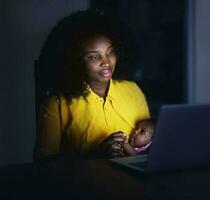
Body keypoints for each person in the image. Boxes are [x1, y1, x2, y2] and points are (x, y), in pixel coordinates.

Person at [33, 10, 150, 161]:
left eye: (110, 52)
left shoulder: (133, 90)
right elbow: (44, 162)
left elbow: (149, 144)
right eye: (94, 57)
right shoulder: (57, 103)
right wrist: (95, 154)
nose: (106, 62)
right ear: (75, 61)